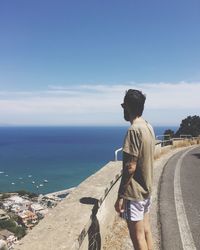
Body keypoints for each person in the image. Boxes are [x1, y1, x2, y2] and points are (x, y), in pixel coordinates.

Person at [115, 89, 155, 250]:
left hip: (134, 193)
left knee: (137, 237)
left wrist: (120, 195)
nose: (123, 109)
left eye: (123, 105)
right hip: (147, 189)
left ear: (128, 107)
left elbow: (130, 167)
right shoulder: (148, 126)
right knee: (146, 231)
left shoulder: (133, 131)